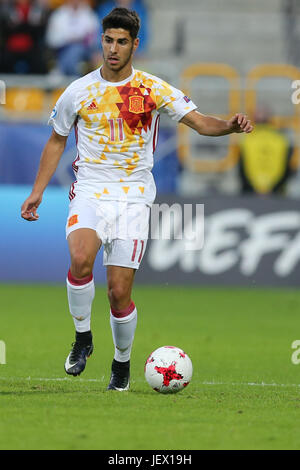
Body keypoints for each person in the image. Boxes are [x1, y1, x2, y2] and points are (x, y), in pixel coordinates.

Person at [21, 7, 253, 391]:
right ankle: (82, 339)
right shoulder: (78, 91)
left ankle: (122, 364)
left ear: (134, 45)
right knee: (80, 258)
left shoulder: (153, 89)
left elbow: (198, 121)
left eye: (121, 42)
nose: (113, 49)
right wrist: (38, 191)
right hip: (91, 190)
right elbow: (57, 140)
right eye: (108, 40)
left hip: (133, 198)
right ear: (102, 41)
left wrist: (228, 126)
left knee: (118, 292)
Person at [238, 107, 293, 195]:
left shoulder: (246, 138)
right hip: (276, 192)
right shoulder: (280, 138)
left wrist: (251, 188)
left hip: (251, 192)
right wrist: (274, 188)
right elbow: (287, 166)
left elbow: (241, 166)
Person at [45, 0, 100, 76]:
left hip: (85, 49)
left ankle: (62, 71)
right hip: (63, 49)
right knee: (73, 50)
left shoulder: (89, 14)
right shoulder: (58, 15)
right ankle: (73, 76)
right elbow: (51, 39)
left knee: (76, 49)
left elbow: (94, 36)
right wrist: (68, 39)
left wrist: (81, 39)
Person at [0, 0, 49, 74]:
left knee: (40, 64)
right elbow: (5, 29)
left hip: (31, 46)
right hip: (10, 47)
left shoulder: (37, 9)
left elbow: (39, 30)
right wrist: (27, 26)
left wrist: (18, 26)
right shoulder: (7, 9)